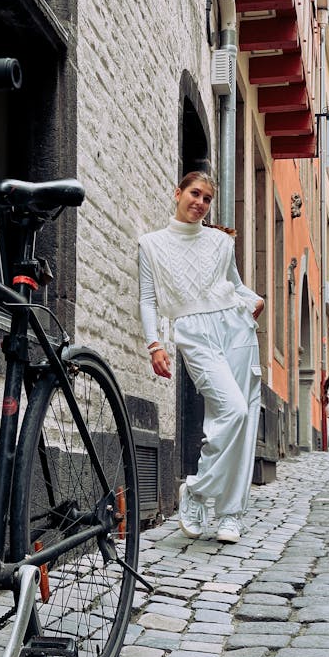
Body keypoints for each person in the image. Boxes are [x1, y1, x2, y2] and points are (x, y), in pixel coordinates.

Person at [138, 171, 264, 544]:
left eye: (207, 199)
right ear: (178, 193)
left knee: (244, 421)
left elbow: (235, 286)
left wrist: (254, 299)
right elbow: (148, 300)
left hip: (236, 328)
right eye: (195, 193)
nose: (200, 203)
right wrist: (154, 344)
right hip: (193, 332)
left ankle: (229, 515)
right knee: (233, 410)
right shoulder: (151, 245)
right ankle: (195, 490)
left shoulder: (221, 242)